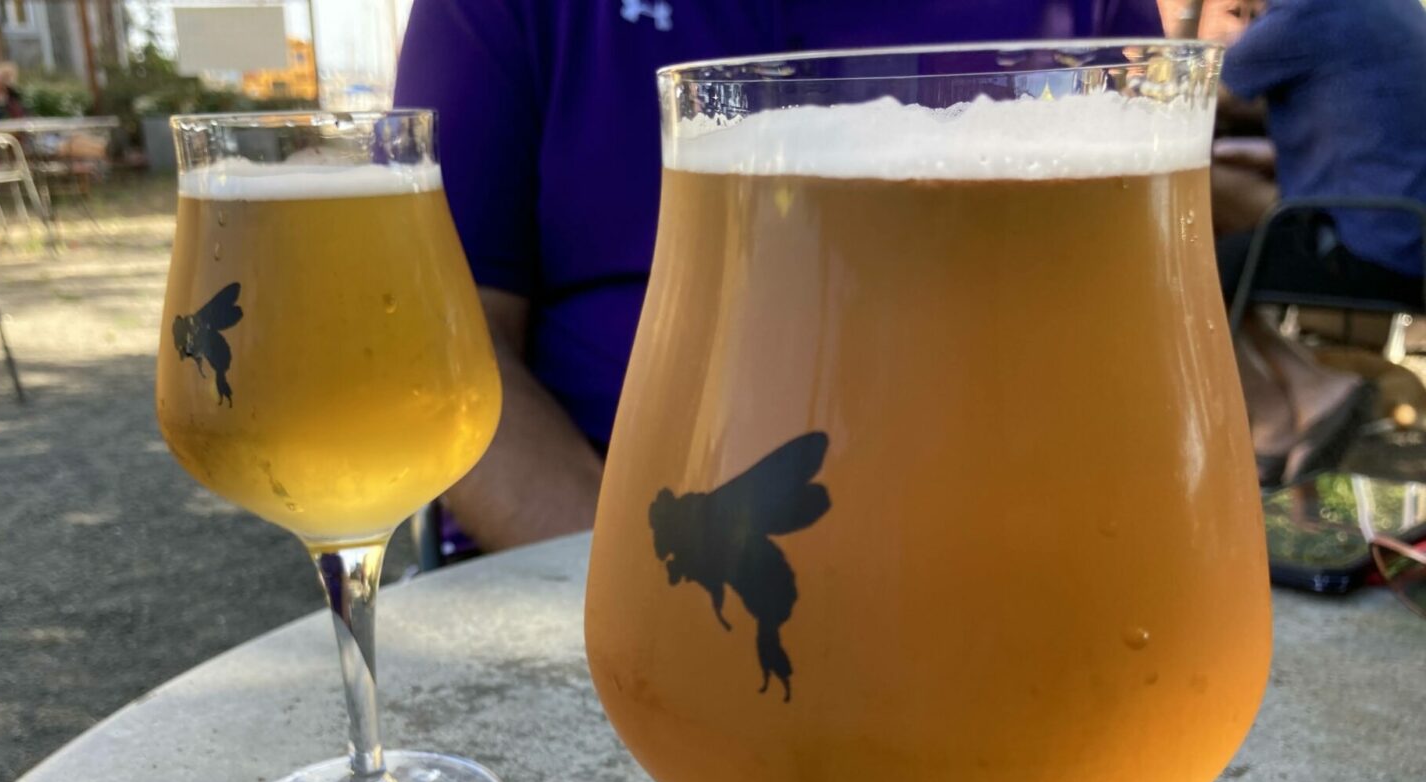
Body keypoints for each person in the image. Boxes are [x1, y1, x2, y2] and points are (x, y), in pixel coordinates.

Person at [395, 1, 1166, 551]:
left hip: (992, 545)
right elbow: (443, 341)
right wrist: (642, 590)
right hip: (615, 540)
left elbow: (1130, 292)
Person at [1217, 0, 1426, 310]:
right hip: (1408, 238)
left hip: (1365, 248)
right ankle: (1303, 360)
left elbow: (1196, 97)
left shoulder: (1308, 9)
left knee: (1199, 274)